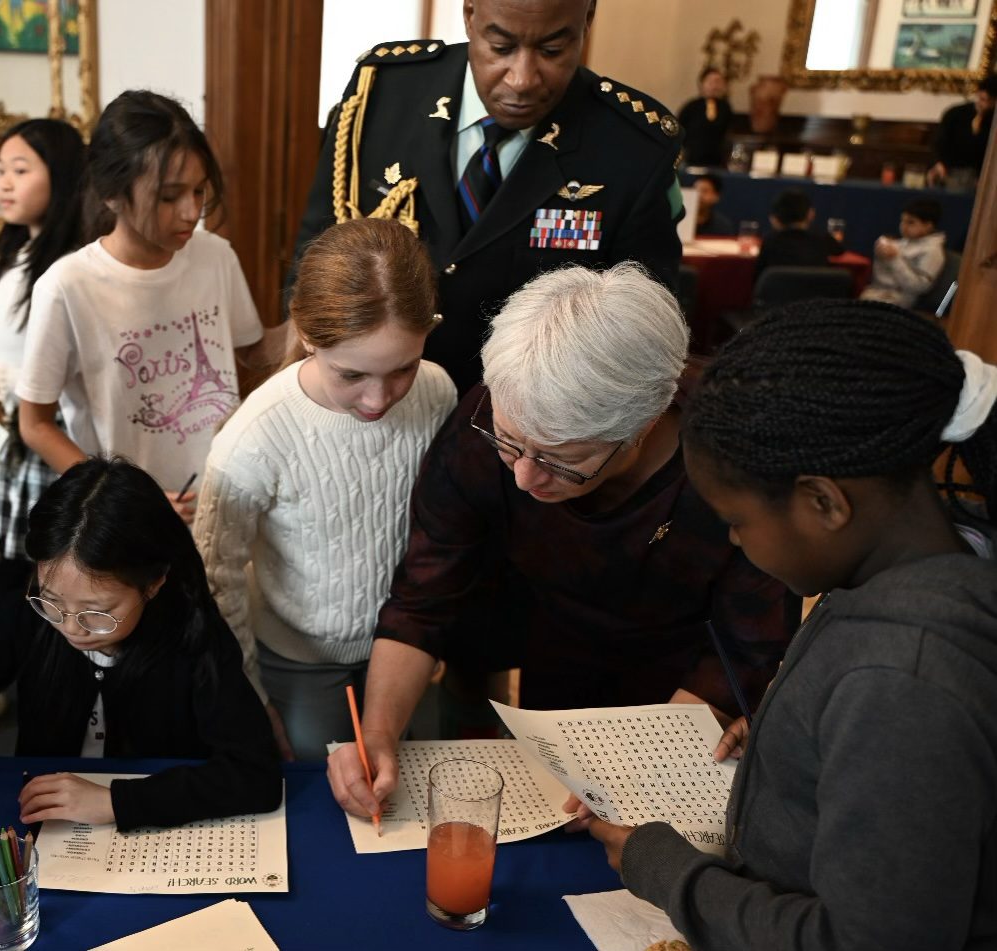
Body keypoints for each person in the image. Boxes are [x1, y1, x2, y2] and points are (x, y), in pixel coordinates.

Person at [586, 299, 997, 949]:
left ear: (824, 502)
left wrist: (671, 873)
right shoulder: (911, 577)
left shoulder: (900, 678)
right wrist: (800, 740)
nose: (733, 537)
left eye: (738, 519)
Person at [325, 263, 793, 821]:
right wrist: (377, 733)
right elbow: (422, 597)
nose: (523, 477)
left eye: (559, 461)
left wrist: (639, 774)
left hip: (685, 684)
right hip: (552, 649)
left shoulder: (735, 452)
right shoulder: (494, 416)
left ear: (640, 429)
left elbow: (742, 651)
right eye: (508, 443)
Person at [290, 0, 685, 394]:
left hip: (519, 422)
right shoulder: (384, 90)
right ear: (469, 14)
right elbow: (317, 247)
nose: (522, 79)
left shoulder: (633, 147)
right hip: (371, 397)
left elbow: (639, 324)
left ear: (587, 20)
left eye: (552, 51)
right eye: (501, 47)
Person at [0, 458, 284, 830]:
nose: (71, 627)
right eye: (51, 603)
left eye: (97, 612)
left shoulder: (194, 636)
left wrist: (117, 802)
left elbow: (256, 774)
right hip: (46, 826)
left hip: (150, 830)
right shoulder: (24, 610)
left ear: (155, 582)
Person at [192, 219, 457, 761]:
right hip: (300, 662)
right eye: (351, 375)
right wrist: (252, 697)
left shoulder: (437, 391)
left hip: (405, 643)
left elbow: (444, 527)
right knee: (320, 793)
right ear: (308, 335)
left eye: (403, 368)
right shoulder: (256, 436)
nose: (378, 399)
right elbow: (217, 583)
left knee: (400, 782)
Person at [15, 91, 264, 524]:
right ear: (111, 194)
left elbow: (254, 352)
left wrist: (320, 321)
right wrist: (116, 496)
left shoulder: (216, 256)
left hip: (224, 497)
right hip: (126, 519)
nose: (191, 212)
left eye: (199, 190)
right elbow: (34, 424)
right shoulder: (68, 285)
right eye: (169, 197)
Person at [0, 118, 87, 678]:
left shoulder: (67, 265)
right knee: (14, 563)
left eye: (20, 170)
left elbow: (58, 367)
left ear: (59, 178)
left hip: (49, 432)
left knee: (38, 566)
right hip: (18, 433)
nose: (3, 184)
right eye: (0, 171)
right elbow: (20, 342)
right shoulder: (22, 250)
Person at [860, 198, 947, 309]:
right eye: (902, 221)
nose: (904, 226)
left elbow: (919, 286)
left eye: (911, 222)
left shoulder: (933, 251)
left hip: (899, 301)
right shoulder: (903, 243)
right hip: (879, 293)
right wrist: (881, 256)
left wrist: (894, 259)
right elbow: (881, 279)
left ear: (928, 226)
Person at [754, 188, 842, 279]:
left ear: (775, 218)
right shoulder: (821, 238)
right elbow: (839, 250)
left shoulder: (770, 240)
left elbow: (758, 277)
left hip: (778, 292)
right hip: (815, 292)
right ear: (810, 214)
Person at [928, 73, 996, 189]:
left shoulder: (993, 120)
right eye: (982, 99)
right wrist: (939, 162)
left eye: (989, 101)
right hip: (952, 172)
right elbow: (940, 142)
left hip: (981, 177)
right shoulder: (956, 113)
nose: (983, 104)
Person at [677, 68, 733, 168]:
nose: (714, 86)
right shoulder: (691, 106)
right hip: (693, 160)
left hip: (718, 162)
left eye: (718, 81)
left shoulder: (725, 107)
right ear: (702, 84)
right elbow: (679, 130)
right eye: (711, 82)